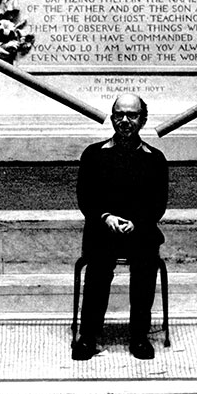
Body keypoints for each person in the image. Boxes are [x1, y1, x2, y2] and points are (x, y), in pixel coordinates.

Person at [73, 93, 169, 360]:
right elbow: (85, 198)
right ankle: (88, 336)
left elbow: (158, 204)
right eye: (119, 114)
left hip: (140, 231)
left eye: (132, 115)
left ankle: (139, 336)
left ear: (143, 119)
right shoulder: (93, 155)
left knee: (145, 269)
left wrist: (135, 223)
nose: (125, 120)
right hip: (103, 230)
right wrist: (106, 217)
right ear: (112, 117)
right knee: (98, 271)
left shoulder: (155, 159)